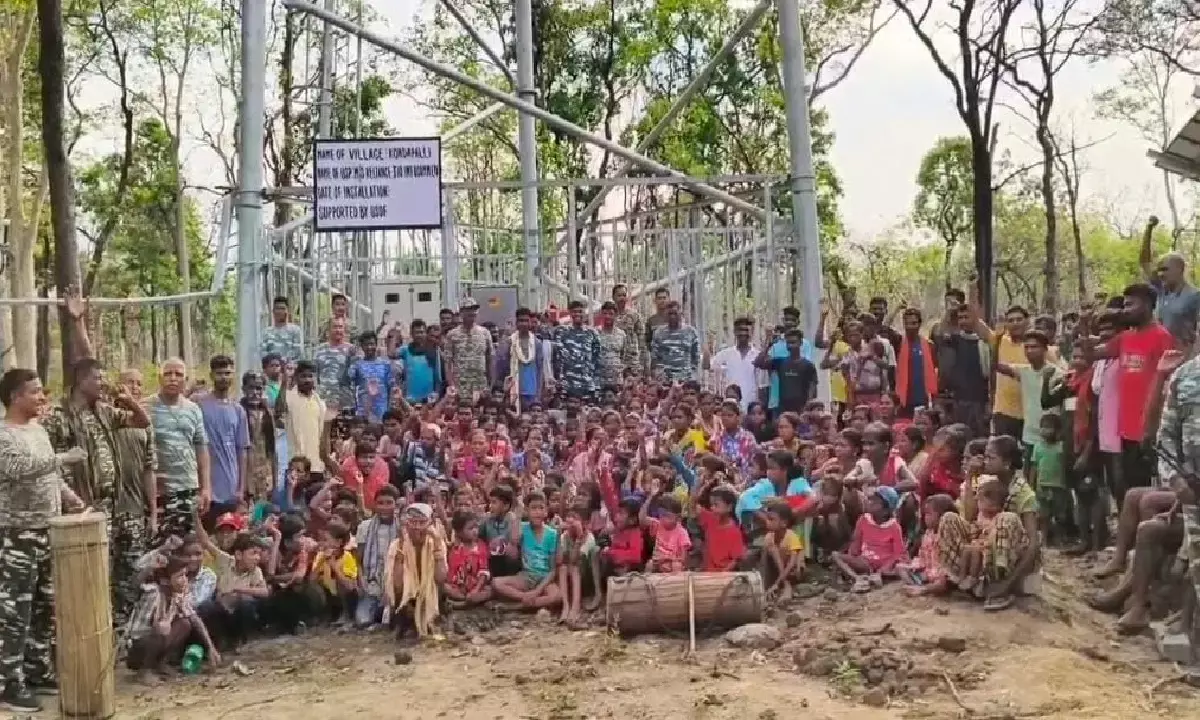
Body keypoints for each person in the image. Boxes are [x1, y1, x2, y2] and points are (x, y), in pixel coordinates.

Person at [0, 368, 88, 711]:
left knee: (42, 606)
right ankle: (9, 682)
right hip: (16, 534)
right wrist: (62, 458)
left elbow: (47, 472)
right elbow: (19, 468)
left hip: (47, 528)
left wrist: (67, 496)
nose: (42, 398)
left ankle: (37, 669)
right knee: (14, 610)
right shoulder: (4, 435)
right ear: (15, 397)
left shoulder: (37, 429)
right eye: (35, 392)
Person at [43, 356, 151, 625]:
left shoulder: (103, 411)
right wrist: (70, 498)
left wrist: (128, 399)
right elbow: (48, 464)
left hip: (111, 503)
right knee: (91, 570)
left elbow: (142, 421)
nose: (104, 384)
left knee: (114, 568)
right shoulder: (59, 416)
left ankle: (113, 626)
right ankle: (88, 626)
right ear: (81, 381)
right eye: (98, 378)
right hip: (80, 507)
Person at [149, 358, 210, 543]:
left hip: (187, 488)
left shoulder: (193, 410)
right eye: (168, 374)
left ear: (186, 379)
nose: (173, 379)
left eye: (178, 374)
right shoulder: (145, 407)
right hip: (159, 490)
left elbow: (201, 447)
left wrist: (206, 487)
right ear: (159, 378)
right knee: (160, 545)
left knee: (186, 544)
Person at [195, 356, 251, 527]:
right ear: (211, 375)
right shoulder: (199, 404)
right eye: (219, 373)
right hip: (206, 486)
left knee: (229, 534)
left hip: (231, 487)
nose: (224, 378)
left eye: (227, 373)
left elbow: (242, 450)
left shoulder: (238, 410)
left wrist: (241, 488)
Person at [385, 503, 448, 643]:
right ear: (406, 525)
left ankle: (432, 618)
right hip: (407, 599)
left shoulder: (437, 543)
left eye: (422, 523)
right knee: (400, 592)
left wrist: (437, 544)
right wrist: (401, 547)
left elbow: (441, 578)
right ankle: (405, 624)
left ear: (430, 524)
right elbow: (396, 585)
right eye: (413, 522)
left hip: (431, 596)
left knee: (441, 588)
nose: (417, 528)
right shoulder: (396, 545)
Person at [352, 485, 400, 627]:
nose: (384, 507)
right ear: (374, 504)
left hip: (395, 586)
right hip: (372, 585)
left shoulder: (402, 528)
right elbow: (358, 561)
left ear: (396, 505)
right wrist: (363, 584)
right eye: (380, 503)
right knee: (362, 621)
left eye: (389, 503)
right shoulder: (365, 527)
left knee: (393, 622)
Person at [444, 297, 494, 400]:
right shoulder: (452, 335)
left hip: (480, 385)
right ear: (461, 313)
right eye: (469, 309)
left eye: (475, 309)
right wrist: (451, 385)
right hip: (460, 386)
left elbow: (490, 360)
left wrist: (490, 385)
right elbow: (448, 363)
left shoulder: (485, 333)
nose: (473, 312)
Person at [708, 317, 760, 412]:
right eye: (740, 330)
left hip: (751, 405)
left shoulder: (758, 355)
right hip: (731, 405)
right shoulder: (725, 354)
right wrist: (707, 347)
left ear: (751, 332)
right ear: (735, 332)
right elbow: (708, 366)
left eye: (746, 330)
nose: (743, 333)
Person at [313, 316, 358, 412]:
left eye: (340, 327)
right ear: (329, 330)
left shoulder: (352, 350)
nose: (338, 330)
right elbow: (315, 376)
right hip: (324, 401)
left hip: (346, 402)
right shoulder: (319, 350)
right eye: (335, 327)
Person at [649, 300, 701, 383]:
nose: (672, 316)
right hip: (665, 379)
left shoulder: (691, 332)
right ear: (666, 315)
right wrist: (658, 376)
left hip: (686, 378)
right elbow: (655, 358)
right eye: (670, 314)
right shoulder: (659, 333)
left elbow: (695, 357)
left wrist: (692, 374)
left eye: (675, 313)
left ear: (680, 313)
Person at [396, 319, 443, 403]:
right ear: (411, 334)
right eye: (416, 332)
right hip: (410, 400)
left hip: (429, 400)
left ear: (426, 333)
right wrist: (395, 333)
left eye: (422, 332)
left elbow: (438, 377)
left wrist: (436, 394)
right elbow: (391, 354)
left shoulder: (434, 350)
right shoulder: (405, 350)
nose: (419, 335)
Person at [595, 302, 634, 395]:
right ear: (601, 314)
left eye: (611, 314)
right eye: (605, 313)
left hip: (617, 382)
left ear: (615, 315)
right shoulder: (595, 333)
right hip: (600, 382)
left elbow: (624, 357)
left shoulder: (622, 334)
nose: (607, 316)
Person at [611, 284, 644, 376]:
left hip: (631, 361)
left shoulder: (634, 315)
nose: (622, 298)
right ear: (613, 297)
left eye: (624, 295)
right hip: (615, 361)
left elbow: (642, 339)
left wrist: (642, 361)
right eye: (619, 295)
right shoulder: (609, 316)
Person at [260, 296, 303, 364]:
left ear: (287, 311)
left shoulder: (295, 330)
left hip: (289, 369)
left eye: (283, 308)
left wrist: (284, 362)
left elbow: (298, 352)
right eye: (277, 308)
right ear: (273, 311)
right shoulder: (266, 332)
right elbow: (262, 353)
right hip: (271, 369)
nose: (280, 311)